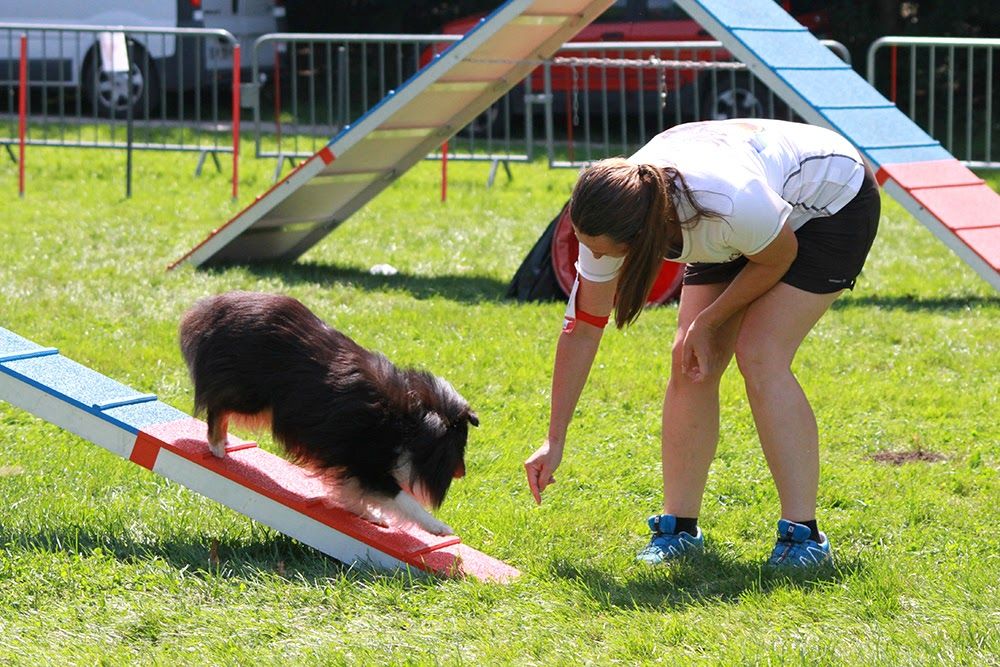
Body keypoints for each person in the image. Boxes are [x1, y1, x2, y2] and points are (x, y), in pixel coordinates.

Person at [523, 118, 880, 568]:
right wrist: (554, 439)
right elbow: (584, 327)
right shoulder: (610, 214)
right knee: (690, 362)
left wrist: (711, 320)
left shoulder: (729, 204)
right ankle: (679, 528)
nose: (594, 255)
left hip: (831, 201)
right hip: (743, 211)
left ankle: (803, 538)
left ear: (643, 238)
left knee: (760, 354)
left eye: (608, 251)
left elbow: (778, 256)